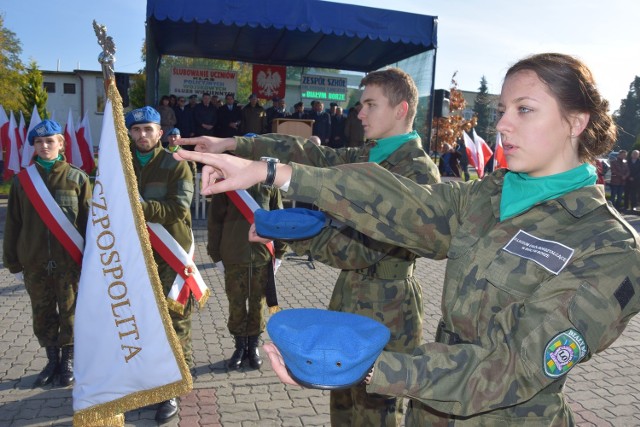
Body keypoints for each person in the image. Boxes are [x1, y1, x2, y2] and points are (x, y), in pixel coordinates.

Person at [175, 53, 640, 425]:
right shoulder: (488, 195)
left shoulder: (609, 247)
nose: (502, 124)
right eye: (502, 110)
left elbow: (514, 367)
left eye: (525, 110)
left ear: (576, 122)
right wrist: (275, 172)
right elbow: (407, 205)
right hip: (429, 407)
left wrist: (374, 368)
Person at [177, 67, 440, 426]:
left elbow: (365, 248)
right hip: (351, 294)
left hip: (389, 306)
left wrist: (285, 234)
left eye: (369, 104)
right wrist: (235, 145)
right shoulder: (371, 157)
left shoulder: (417, 173)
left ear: (400, 109)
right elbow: (305, 153)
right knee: (343, 407)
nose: (359, 113)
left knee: (375, 409)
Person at [3, 119, 91, 388]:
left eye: (50, 141)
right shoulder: (22, 182)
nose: (44, 146)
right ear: (33, 146)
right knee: (42, 314)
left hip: (70, 263)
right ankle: (51, 359)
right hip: (35, 262)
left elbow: (89, 223)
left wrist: (93, 261)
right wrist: (13, 263)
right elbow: (13, 224)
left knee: (71, 313)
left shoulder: (77, 177)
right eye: (39, 142)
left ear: (61, 144)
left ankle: (68, 362)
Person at [125, 106, 195, 422]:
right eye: (136, 129)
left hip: (170, 255)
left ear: (160, 133)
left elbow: (178, 209)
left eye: (148, 129)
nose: (142, 135)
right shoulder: (118, 166)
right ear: (129, 132)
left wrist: (139, 207)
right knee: (141, 322)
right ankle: (149, 385)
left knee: (173, 322)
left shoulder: (175, 164)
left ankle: (172, 390)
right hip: (135, 256)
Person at [208, 183, 287, 370]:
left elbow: (280, 219)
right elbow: (215, 222)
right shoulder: (226, 184)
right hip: (233, 256)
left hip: (261, 257)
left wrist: (281, 252)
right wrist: (215, 254)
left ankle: (253, 347)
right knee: (236, 305)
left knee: (257, 305)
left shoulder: (268, 184)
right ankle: (239, 347)